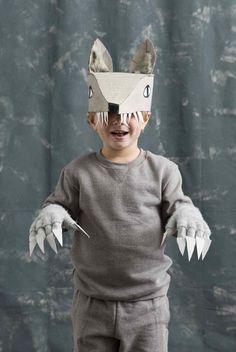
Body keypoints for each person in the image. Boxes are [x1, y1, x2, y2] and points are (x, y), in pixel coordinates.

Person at [29, 38, 211, 352]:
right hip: (91, 305)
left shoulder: (164, 171)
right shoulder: (77, 172)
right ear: (91, 119)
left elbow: (180, 204)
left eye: (130, 112)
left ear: (146, 118)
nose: (119, 119)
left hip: (147, 306)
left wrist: (187, 215)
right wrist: (53, 213)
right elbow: (58, 203)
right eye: (109, 111)